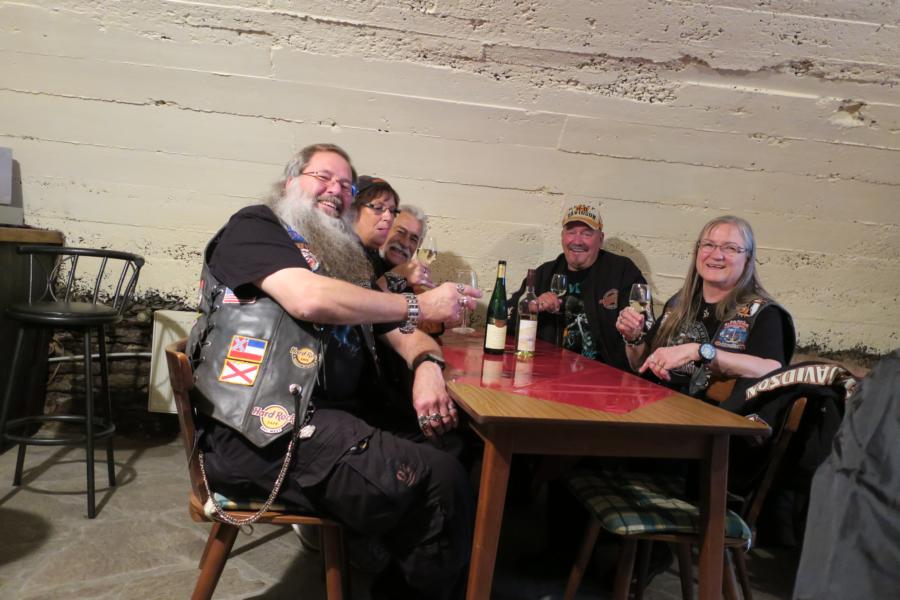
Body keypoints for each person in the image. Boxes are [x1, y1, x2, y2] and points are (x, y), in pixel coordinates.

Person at [186, 143, 480, 600]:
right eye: (322, 177)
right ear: (290, 182)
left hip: (329, 418)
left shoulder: (340, 257)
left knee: (461, 441)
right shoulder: (256, 226)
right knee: (438, 482)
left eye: (346, 185)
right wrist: (418, 304)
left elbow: (398, 331)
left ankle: (399, 570)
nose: (336, 190)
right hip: (262, 433)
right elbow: (308, 298)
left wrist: (426, 364)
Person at [616, 214, 795, 409]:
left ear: (748, 258)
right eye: (709, 245)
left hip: (713, 421)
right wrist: (633, 338)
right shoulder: (679, 302)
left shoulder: (764, 313)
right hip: (660, 408)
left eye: (730, 248)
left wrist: (699, 351)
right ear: (697, 251)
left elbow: (773, 370)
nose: (717, 255)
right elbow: (641, 365)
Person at [509, 203, 646, 370]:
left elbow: (644, 342)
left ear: (600, 239)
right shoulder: (545, 273)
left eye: (587, 233)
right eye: (571, 232)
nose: (577, 241)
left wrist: (633, 332)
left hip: (604, 377)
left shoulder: (622, 272)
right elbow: (504, 318)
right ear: (562, 237)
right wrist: (531, 306)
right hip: (547, 372)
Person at [351, 175, 435, 293]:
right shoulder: (338, 252)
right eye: (378, 207)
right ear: (352, 211)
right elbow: (358, 300)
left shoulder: (371, 254)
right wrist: (396, 276)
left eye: (392, 211)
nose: (389, 217)